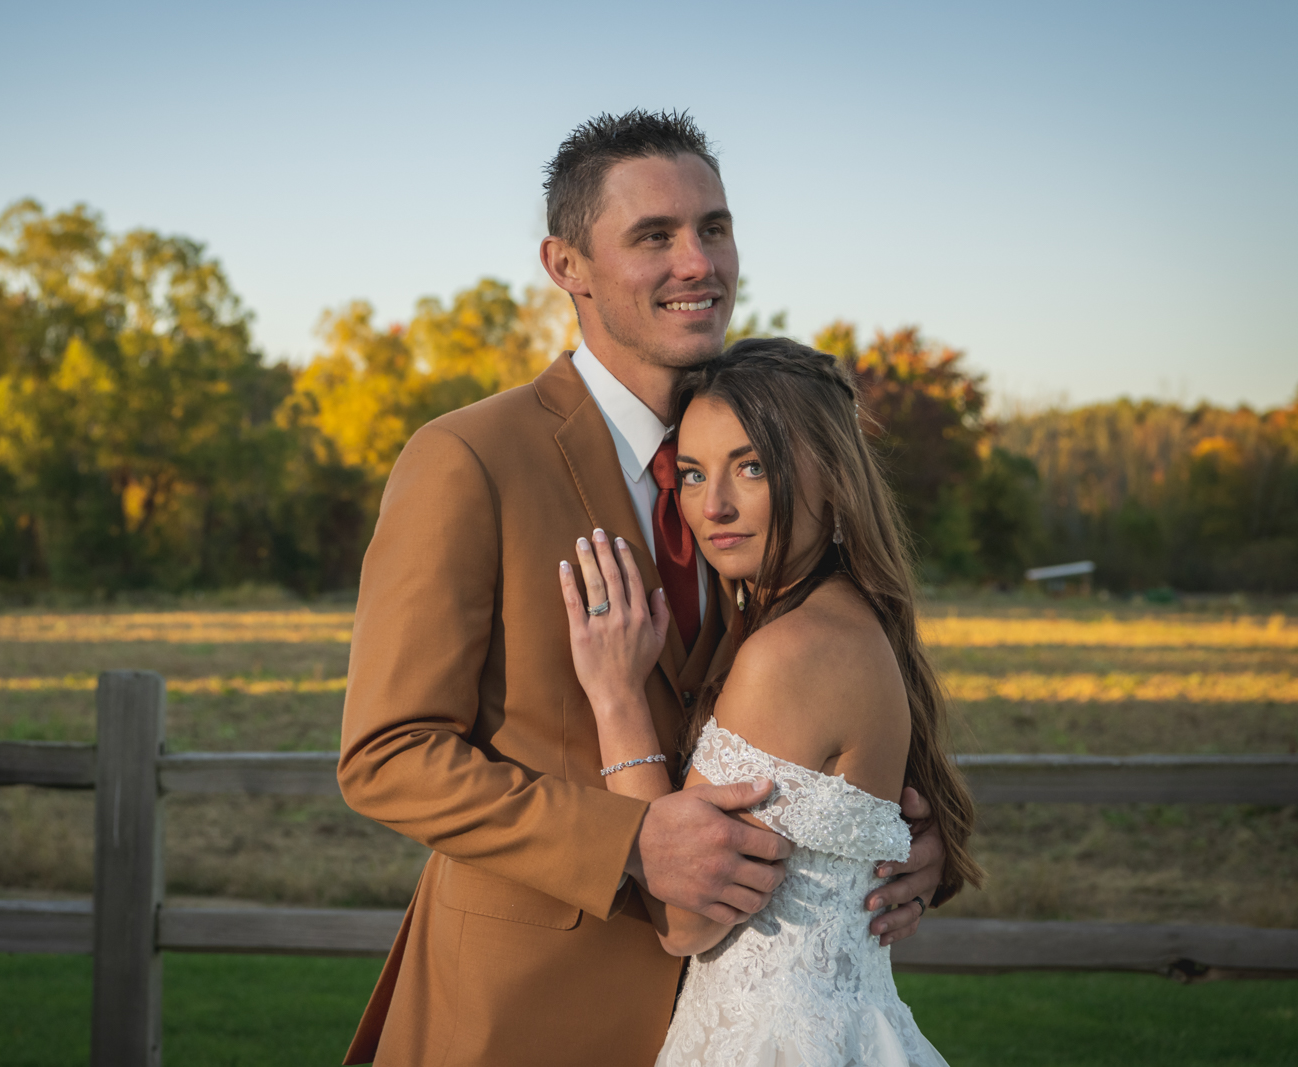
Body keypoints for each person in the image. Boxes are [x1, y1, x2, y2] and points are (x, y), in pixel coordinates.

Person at [337, 110, 948, 1067]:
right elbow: (387, 752)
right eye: (653, 236)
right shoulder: (468, 460)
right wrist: (628, 842)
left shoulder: (762, 468)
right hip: (520, 1015)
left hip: (734, 1018)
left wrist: (903, 843)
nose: (698, 262)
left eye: (714, 226)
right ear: (566, 263)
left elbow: (827, 691)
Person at [558, 338, 984, 1067]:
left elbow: (682, 917)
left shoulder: (790, 653)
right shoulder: (845, 619)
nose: (712, 504)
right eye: (691, 473)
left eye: (751, 466)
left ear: (832, 475)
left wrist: (617, 698)